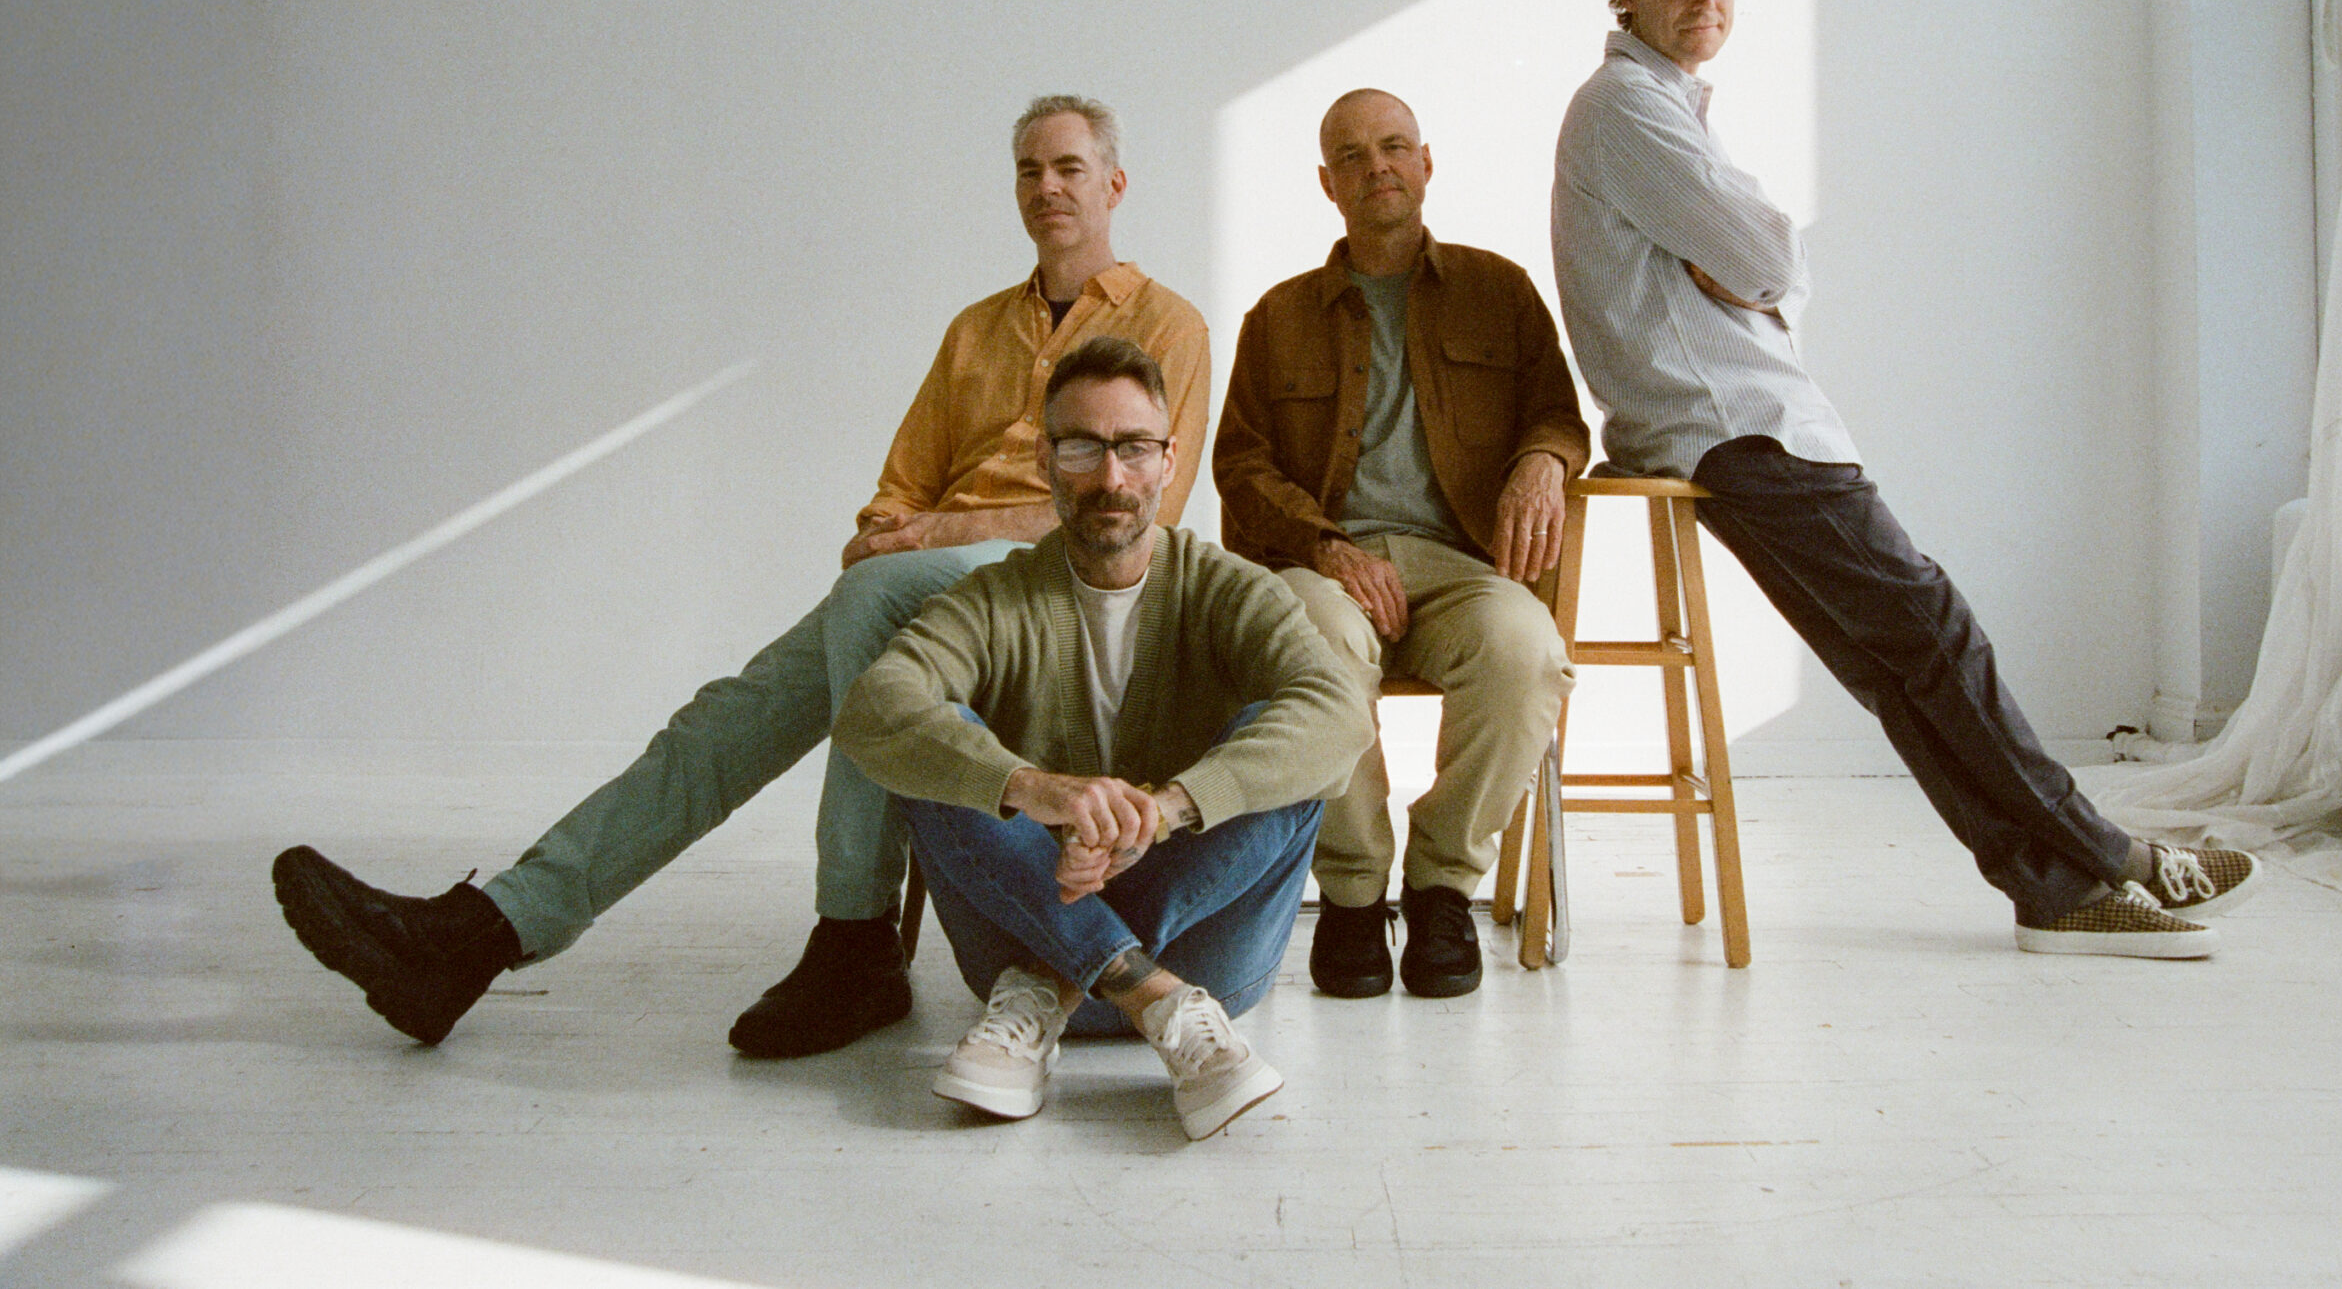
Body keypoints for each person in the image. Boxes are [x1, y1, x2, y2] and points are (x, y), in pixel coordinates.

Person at [271, 95, 1213, 1050]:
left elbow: (1140, 508)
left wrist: (923, 536)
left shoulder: (1168, 324)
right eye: (1029, 170)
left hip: (1054, 585)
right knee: (729, 716)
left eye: (1068, 168)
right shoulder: (975, 330)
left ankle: (855, 937)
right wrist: (893, 534)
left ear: (1114, 185)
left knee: (872, 596)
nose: (1047, 187)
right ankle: (485, 932)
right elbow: (895, 494)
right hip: (925, 581)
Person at [1551, 0, 2259, 958]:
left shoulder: (1663, 104)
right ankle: (2111, 859)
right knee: (1932, 634)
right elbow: (1770, 260)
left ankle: (2056, 886)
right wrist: (1756, 260)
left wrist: (1754, 262)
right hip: (1732, 426)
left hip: (1731, 422)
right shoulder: (1625, 106)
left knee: (1903, 661)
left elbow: (1760, 265)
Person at [835, 336, 1367, 1139]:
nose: (1112, 477)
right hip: (1051, 949)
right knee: (943, 748)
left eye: (1134, 448)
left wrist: (1165, 812)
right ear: (1045, 461)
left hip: (1204, 960)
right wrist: (1036, 791)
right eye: (1082, 448)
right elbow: (875, 709)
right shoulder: (998, 597)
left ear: (1168, 460)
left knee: (1289, 744)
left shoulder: (1224, 588)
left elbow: (1340, 713)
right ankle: (1148, 995)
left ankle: (1060, 976)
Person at [1212, 90, 1587, 999]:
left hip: (1461, 564)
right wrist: (1330, 550)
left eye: (1393, 146)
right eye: (1352, 155)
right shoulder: (1278, 316)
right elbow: (1241, 468)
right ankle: (1351, 892)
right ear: (1327, 184)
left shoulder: (1499, 291)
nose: (1376, 165)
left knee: (1527, 651)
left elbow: (1557, 413)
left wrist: (1543, 459)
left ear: (1426, 163)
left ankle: (1443, 886)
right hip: (1328, 564)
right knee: (1313, 640)